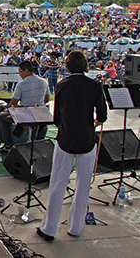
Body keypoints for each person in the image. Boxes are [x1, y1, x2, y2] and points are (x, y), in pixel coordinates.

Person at [37, 50, 107, 241]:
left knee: (58, 185)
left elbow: (57, 118)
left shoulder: (62, 85)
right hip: (87, 141)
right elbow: (102, 115)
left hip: (66, 140)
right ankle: (76, 227)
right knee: (83, 186)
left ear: (67, 66)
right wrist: (94, 123)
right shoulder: (94, 86)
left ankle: (49, 229)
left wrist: (66, 127)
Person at [0, 60, 50, 151]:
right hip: (39, 115)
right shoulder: (44, 82)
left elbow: (14, 103)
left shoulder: (21, 84)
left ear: (26, 71)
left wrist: (8, 109)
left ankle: (8, 144)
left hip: (25, 115)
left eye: (20, 72)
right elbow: (47, 100)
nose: (19, 75)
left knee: (1, 117)